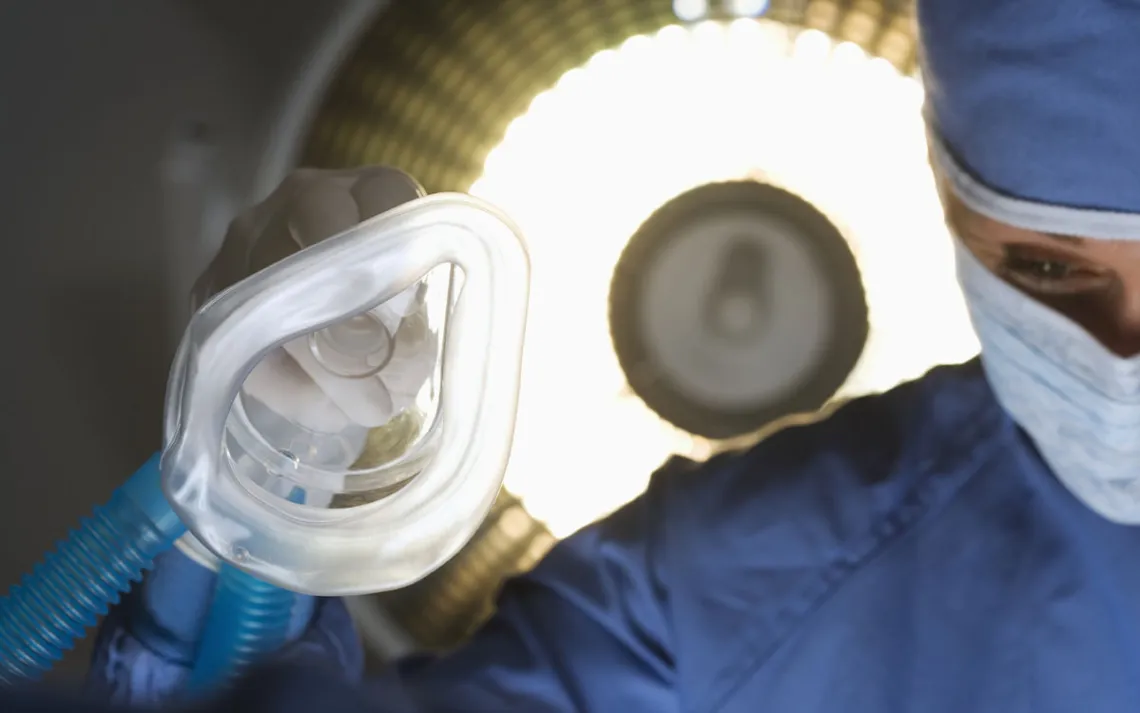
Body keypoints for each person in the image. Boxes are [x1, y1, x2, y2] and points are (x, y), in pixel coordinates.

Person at [9, 0, 1140, 709]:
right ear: (941, 198)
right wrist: (267, 472)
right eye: (1046, 268)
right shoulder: (732, 599)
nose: (1124, 356)